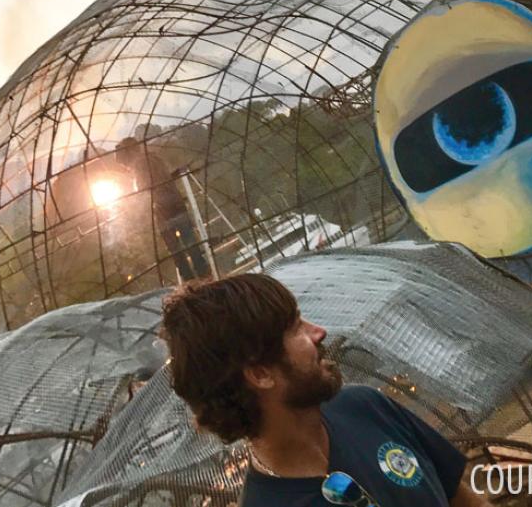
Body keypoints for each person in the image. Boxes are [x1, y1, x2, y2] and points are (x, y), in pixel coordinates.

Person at [161, 273, 489, 506]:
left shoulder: (366, 407)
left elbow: (462, 498)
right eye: (295, 329)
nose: (319, 332)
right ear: (261, 374)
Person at [115, 136, 210, 281]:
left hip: (162, 210)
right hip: (176, 203)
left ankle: (190, 281)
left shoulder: (140, 165)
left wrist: (134, 203)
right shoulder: (154, 158)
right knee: (191, 243)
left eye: (125, 163)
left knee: (176, 251)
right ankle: (204, 273)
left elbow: (144, 189)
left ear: (129, 154)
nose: (126, 167)